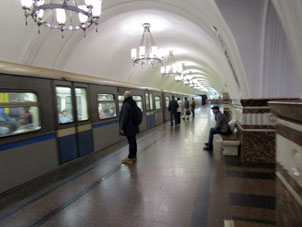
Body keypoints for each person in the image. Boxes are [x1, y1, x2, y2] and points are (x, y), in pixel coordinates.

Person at [119, 90, 140, 164]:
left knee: (131, 142)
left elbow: (125, 117)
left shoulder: (126, 104)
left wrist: (122, 128)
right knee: (133, 141)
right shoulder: (133, 103)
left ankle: (130, 157)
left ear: (125, 96)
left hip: (129, 127)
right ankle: (133, 155)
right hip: (134, 126)